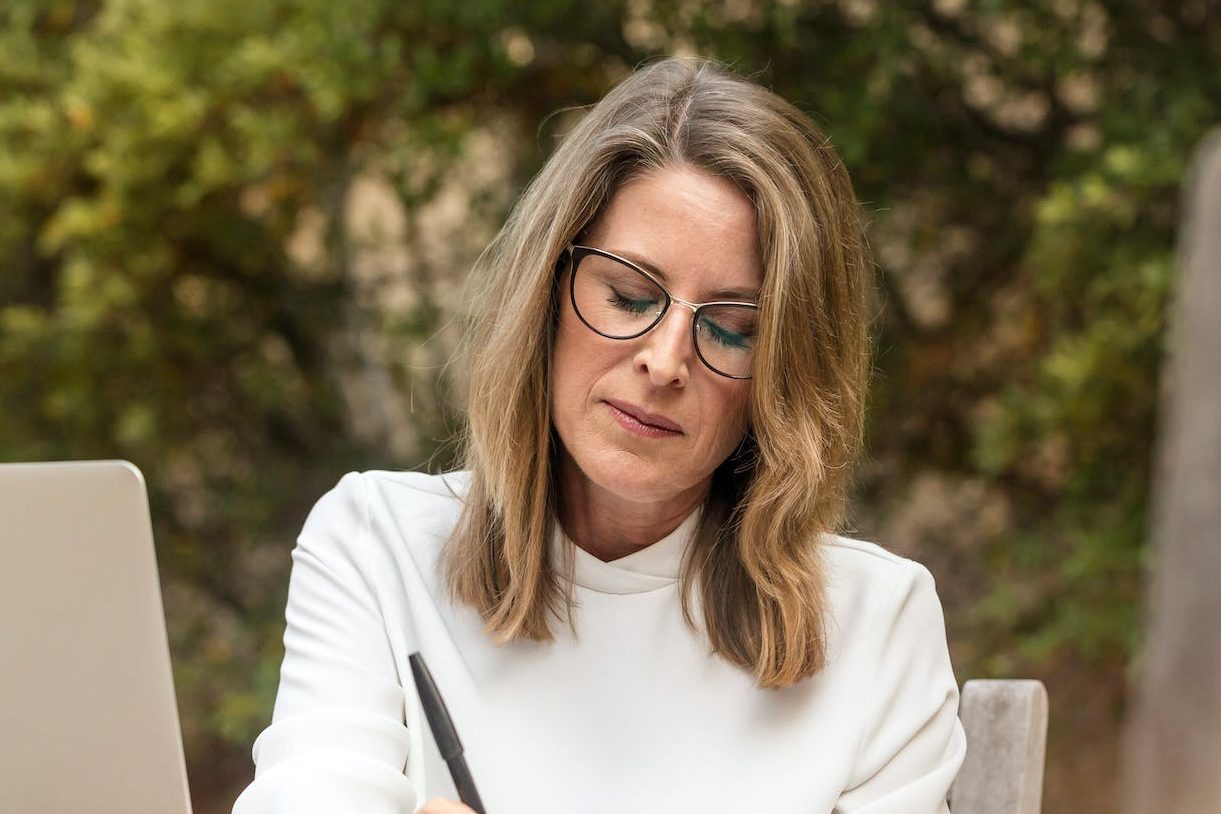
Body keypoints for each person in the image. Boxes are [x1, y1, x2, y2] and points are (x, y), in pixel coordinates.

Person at [232, 57, 966, 814]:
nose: (665, 359)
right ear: (547, 290)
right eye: (628, 295)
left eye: (732, 328)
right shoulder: (378, 548)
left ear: (785, 374)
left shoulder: (876, 622)